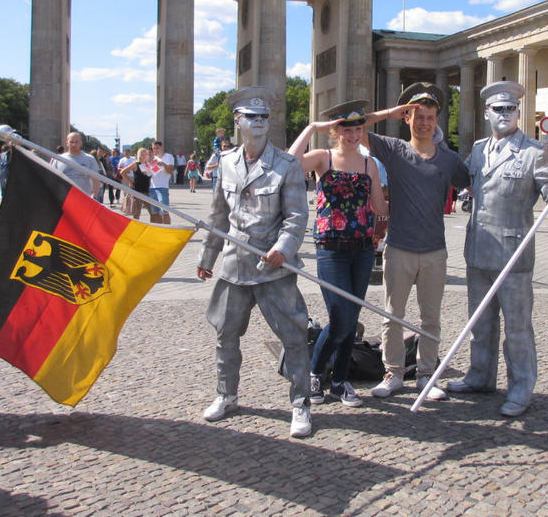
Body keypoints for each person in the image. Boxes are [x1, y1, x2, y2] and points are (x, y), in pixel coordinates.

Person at [445, 82, 548, 417]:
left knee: (517, 327)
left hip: (513, 254)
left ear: (518, 112)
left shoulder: (534, 152)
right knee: (481, 323)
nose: (504, 115)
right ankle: (480, 375)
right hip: (478, 250)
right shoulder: (476, 149)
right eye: (497, 110)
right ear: (486, 113)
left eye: (510, 109)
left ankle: (521, 386)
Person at [196, 87, 313, 438]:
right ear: (237, 121)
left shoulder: (287, 164)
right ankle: (226, 395)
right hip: (234, 266)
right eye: (252, 117)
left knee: (293, 337)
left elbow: (296, 216)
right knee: (225, 335)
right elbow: (219, 214)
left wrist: (284, 248)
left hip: (272, 267)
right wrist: (207, 257)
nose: (259, 123)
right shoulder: (227, 164)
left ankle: (300, 404)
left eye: (264, 117)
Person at [360, 82, 470, 401]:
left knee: (430, 319)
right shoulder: (394, 150)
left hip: (435, 251)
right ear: (408, 118)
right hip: (398, 249)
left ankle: (425, 375)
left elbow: (475, 184)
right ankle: (393, 374)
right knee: (392, 315)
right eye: (417, 116)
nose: (424, 122)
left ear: (437, 120)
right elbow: (354, 125)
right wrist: (391, 112)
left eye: (430, 117)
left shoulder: (448, 159)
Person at [288, 100, 388, 408]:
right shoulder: (323, 158)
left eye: (358, 129)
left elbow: (379, 207)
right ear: (336, 132)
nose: (353, 135)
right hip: (330, 248)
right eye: (347, 130)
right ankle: (316, 372)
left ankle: (341, 381)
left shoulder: (370, 164)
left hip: (362, 248)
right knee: (339, 317)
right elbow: (288, 164)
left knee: (352, 315)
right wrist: (310, 128)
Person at [52, 132, 100, 197]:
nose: (74, 144)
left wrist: (94, 196)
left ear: (81, 143)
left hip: (84, 198)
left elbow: (96, 180)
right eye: (71, 142)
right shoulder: (59, 159)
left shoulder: (90, 159)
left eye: (76, 142)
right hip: (65, 199)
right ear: (67, 143)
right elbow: (53, 179)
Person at [120, 148, 154, 221]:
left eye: (146, 154)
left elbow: (152, 176)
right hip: (137, 191)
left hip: (147, 191)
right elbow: (123, 172)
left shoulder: (148, 164)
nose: (144, 156)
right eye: (142, 154)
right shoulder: (135, 164)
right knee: (137, 213)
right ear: (139, 155)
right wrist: (130, 182)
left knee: (152, 212)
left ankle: (152, 227)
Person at [148, 140, 174, 224]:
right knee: (155, 213)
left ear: (161, 147)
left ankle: (167, 230)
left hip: (162, 187)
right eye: (153, 149)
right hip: (152, 187)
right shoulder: (153, 159)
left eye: (157, 148)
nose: (155, 150)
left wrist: (164, 165)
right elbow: (150, 173)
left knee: (165, 212)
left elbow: (170, 171)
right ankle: (159, 230)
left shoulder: (168, 157)